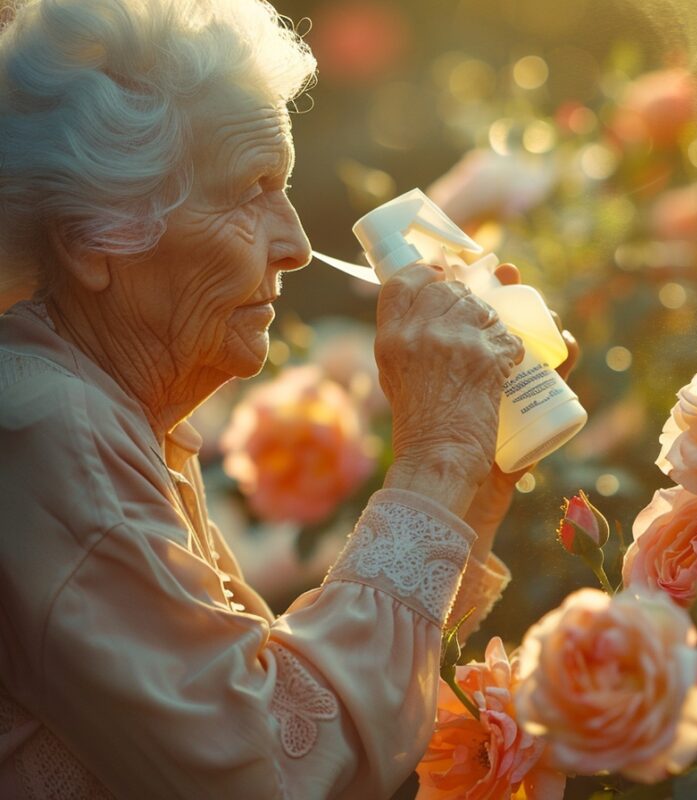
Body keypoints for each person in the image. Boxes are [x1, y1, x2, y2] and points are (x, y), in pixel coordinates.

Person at [0, 0, 570, 796]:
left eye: (286, 186)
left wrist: (468, 483)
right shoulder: (44, 426)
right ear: (91, 236)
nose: (297, 243)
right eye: (251, 190)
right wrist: (435, 456)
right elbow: (276, 765)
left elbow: (294, 699)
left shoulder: (108, 410)